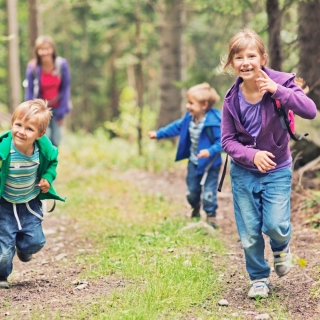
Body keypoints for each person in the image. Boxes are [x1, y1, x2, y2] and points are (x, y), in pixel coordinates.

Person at [221, 28, 317, 298]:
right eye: (238, 58)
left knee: (274, 224)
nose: (245, 62)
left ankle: (281, 246)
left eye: (251, 55)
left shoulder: (281, 83)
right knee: (250, 231)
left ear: (262, 58)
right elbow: (227, 141)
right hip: (243, 172)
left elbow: (309, 110)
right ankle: (259, 278)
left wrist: (278, 91)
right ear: (232, 64)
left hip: (277, 168)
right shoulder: (231, 100)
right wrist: (252, 155)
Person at [0, 99, 65, 289]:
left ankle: (24, 248)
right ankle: (2, 275)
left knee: (35, 242)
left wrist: (47, 177)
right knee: (3, 251)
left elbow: (53, 163)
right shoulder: (4, 149)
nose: (21, 131)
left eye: (29, 129)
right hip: (5, 204)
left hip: (29, 203)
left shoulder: (43, 151)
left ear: (40, 134)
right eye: (18, 125)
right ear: (12, 123)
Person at [148, 83, 222, 228]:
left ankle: (211, 217)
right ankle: (195, 208)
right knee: (192, 192)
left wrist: (210, 151)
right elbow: (176, 127)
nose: (188, 106)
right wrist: (159, 134)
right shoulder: (189, 118)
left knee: (208, 193)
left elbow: (223, 142)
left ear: (204, 105)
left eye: (191, 103)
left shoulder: (214, 122)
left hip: (210, 164)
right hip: (194, 162)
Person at [24, 35, 71, 147]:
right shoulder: (33, 68)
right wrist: (29, 112)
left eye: (47, 48)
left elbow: (66, 88)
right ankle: (42, 163)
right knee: (44, 139)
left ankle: (52, 163)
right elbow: (29, 91)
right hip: (41, 109)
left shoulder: (61, 65)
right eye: (41, 49)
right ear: (37, 51)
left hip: (58, 107)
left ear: (52, 49)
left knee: (56, 139)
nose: (45, 52)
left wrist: (61, 113)